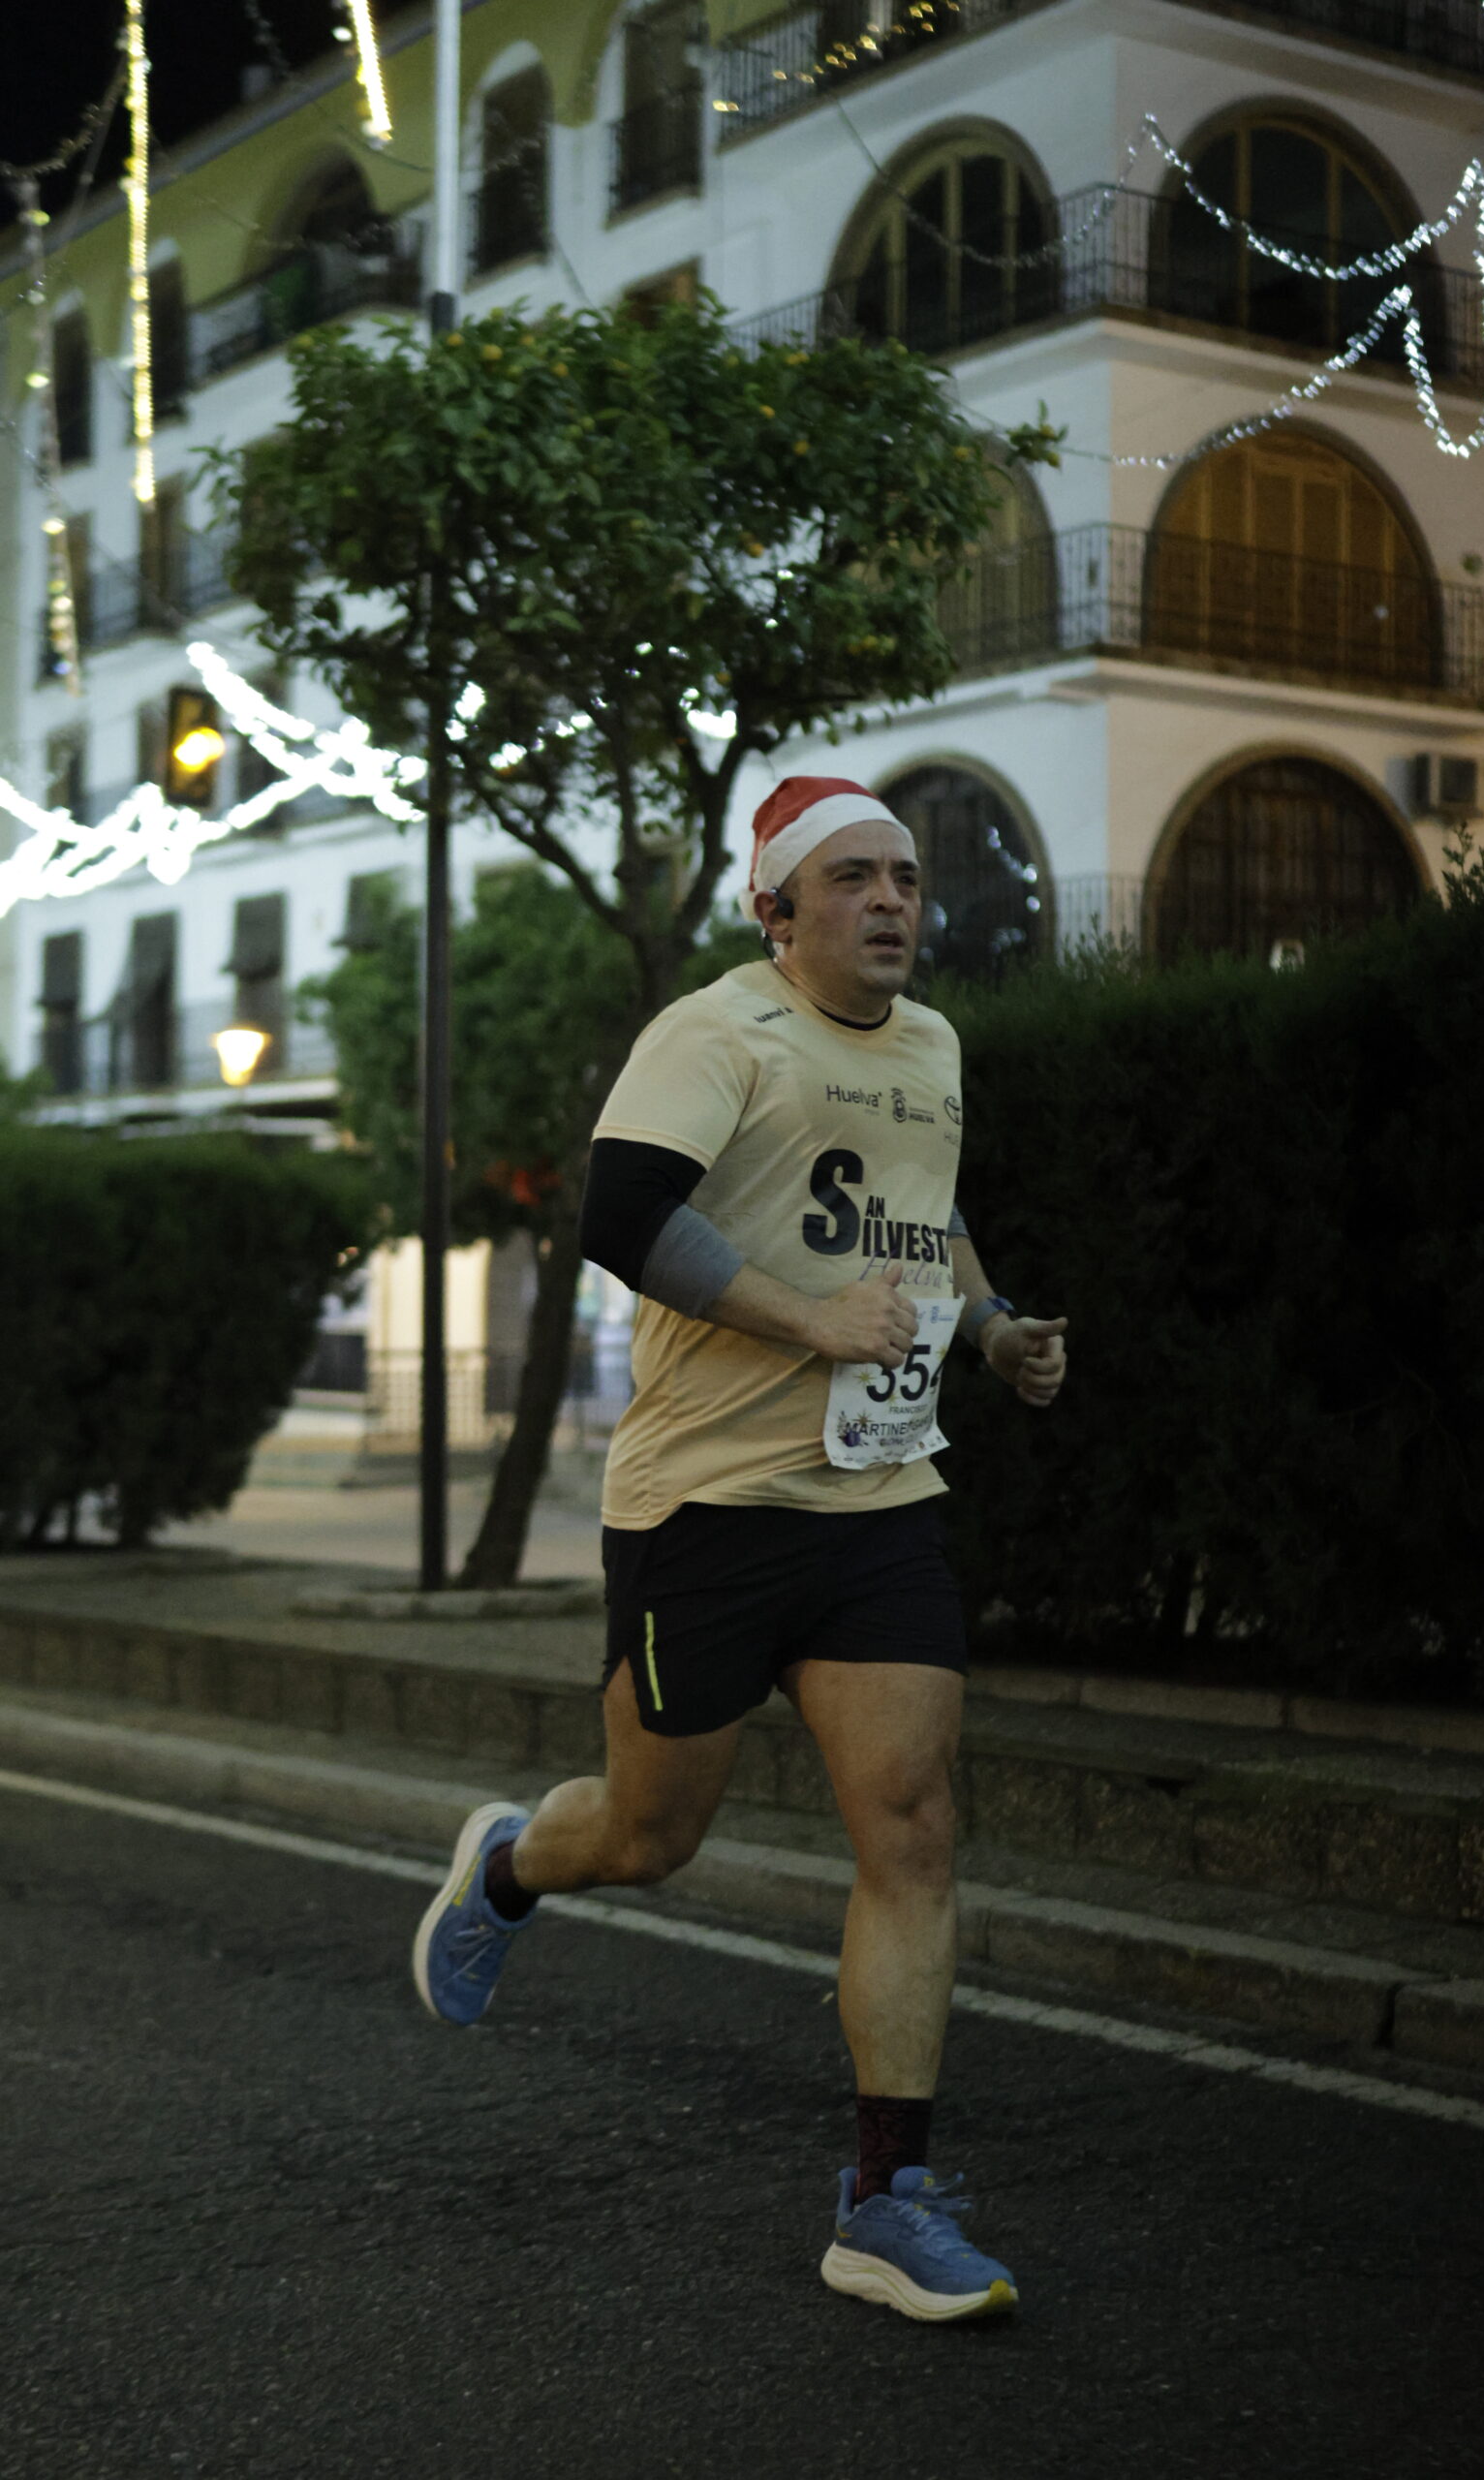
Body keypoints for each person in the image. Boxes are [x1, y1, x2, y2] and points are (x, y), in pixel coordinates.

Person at [413, 776, 1068, 2323]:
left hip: (877, 1500)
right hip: (703, 1508)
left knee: (911, 1827)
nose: (893, 900)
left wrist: (986, 1326)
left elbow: (923, 1215)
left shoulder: (932, 1047)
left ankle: (885, 2204)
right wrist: (807, 1320)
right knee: (650, 1838)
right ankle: (509, 1865)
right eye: (854, 878)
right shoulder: (716, 1033)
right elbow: (623, 1211)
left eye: (907, 877)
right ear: (777, 910)